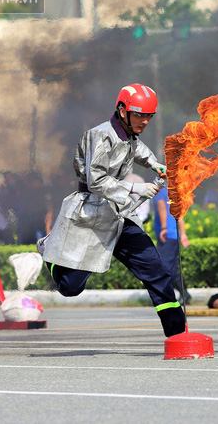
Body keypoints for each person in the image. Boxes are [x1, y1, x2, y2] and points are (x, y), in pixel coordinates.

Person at [38, 83, 185, 338]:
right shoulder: (100, 135)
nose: (145, 121)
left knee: (156, 271)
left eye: (149, 116)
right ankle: (49, 250)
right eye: (140, 115)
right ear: (122, 110)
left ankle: (177, 335)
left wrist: (155, 164)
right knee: (70, 287)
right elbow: (95, 181)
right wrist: (135, 189)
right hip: (89, 214)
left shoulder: (129, 135)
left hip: (119, 215)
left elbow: (137, 150)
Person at [153, 182, 191, 305]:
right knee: (170, 267)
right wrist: (183, 234)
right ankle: (184, 294)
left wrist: (164, 228)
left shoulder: (160, 192)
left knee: (165, 267)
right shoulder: (173, 193)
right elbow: (180, 215)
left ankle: (180, 293)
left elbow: (161, 207)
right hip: (174, 236)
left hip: (167, 235)